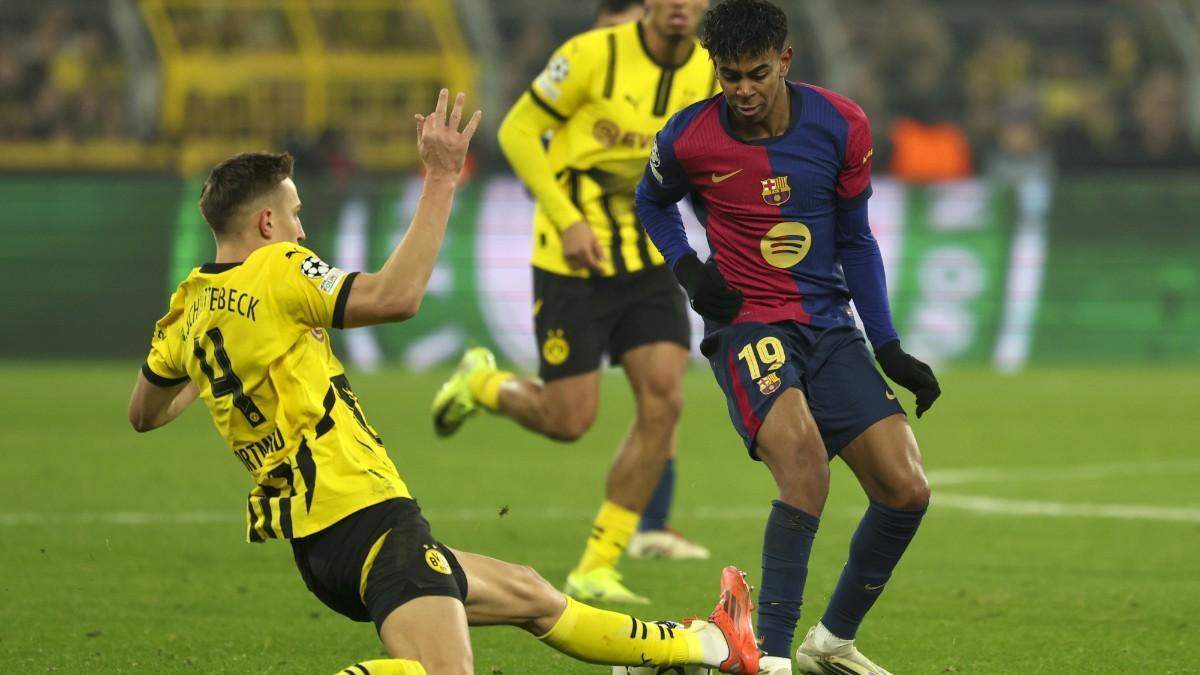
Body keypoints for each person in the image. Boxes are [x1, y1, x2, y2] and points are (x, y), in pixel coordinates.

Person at [126, 91, 760, 675]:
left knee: (531, 594)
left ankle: (708, 645)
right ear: (266, 225)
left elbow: (145, 414)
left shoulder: (188, 309)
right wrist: (441, 178)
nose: (302, 230)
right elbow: (395, 297)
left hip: (320, 543)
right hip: (366, 520)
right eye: (294, 215)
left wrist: (213, 374)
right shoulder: (278, 267)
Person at [634, 1, 942, 673]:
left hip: (829, 323)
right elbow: (649, 201)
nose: (741, 90)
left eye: (756, 73)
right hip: (747, 324)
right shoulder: (688, 137)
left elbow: (856, 239)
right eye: (729, 76)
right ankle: (766, 651)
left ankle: (829, 643)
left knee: (906, 487)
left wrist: (887, 345)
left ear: (786, 61)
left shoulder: (841, 124)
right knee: (804, 464)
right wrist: (689, 269)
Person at [433, 0, 718, 605]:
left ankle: (597, 565)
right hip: (570, 258)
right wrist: (565, 219)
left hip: (645, 258)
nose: (680, 6)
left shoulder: (709, 70)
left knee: (665, 398)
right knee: (569, 420)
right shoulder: (591, 56)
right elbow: (515, 129)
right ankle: (482, 384)